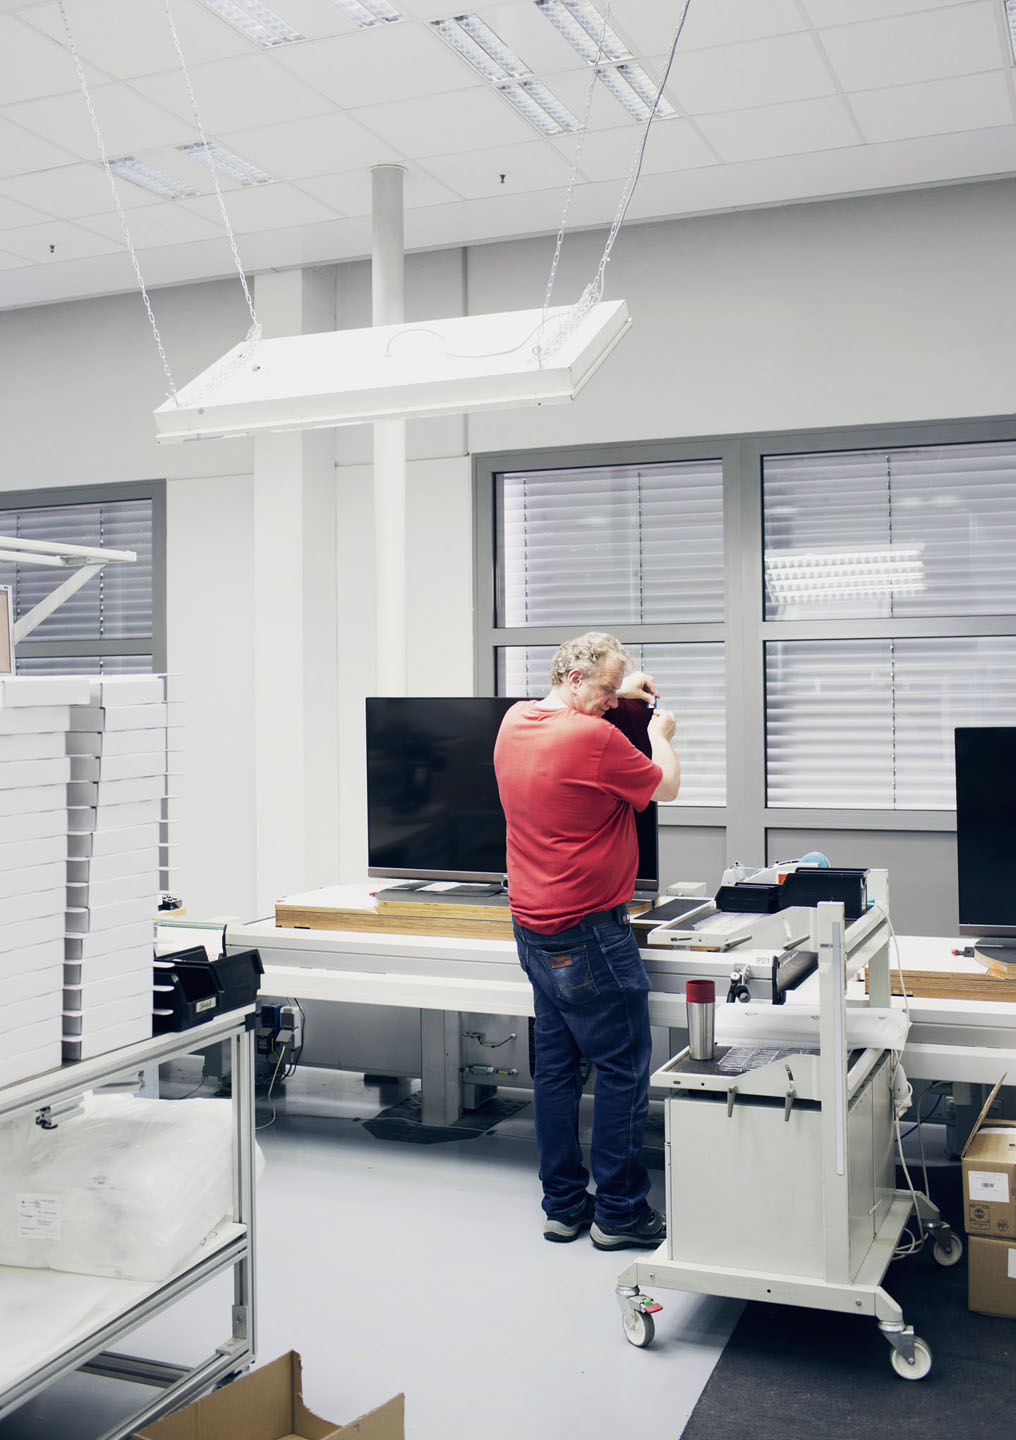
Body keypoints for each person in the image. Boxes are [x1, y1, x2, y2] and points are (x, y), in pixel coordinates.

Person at [493, 632, 680, 1249]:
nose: (611, 704)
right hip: (592, 934)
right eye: (603, 690)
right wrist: (660, 734)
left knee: (555, 1071)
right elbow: (664, 786)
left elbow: (579, 713)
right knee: (622, 1069)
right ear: (574, 678)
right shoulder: (593, 739)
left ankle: (564, 1206)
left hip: (533, 928)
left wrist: (618, 689)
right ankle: (620, 1213)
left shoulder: (515, 722)